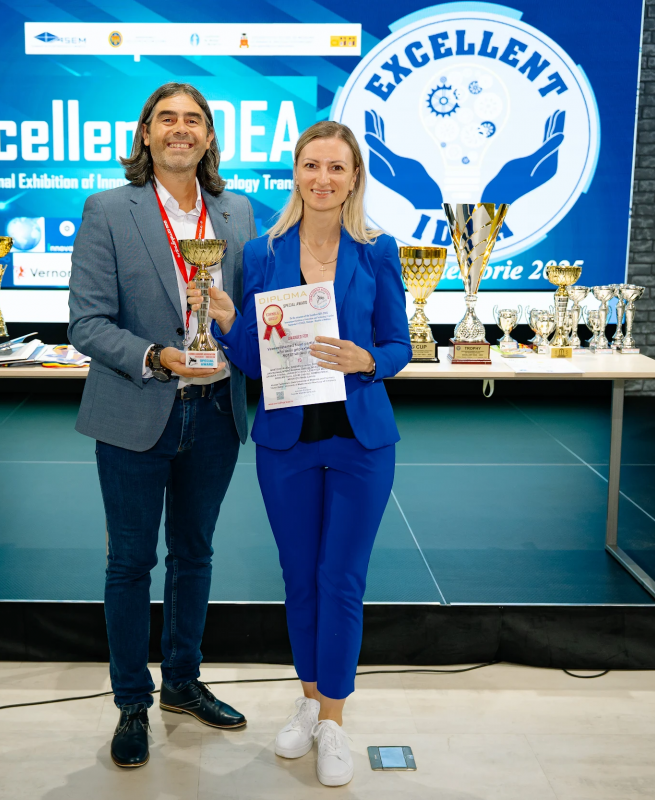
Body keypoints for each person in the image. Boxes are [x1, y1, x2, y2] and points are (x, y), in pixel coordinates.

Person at [187, 120, 410, 787]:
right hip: (286, 443)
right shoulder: (263, 253)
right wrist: (230, 321)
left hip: (360, 442)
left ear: (354, 176)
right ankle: (309, 702)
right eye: (312, 165)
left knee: (341, 579)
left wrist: (367, 359)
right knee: (300, 578)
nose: (323, 178)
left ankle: (333, 721)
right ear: (296, 173)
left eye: (336, 167)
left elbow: (399, 344)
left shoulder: (378, 251)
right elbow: (256, 361)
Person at [67, 83, 259, 769]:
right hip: (135, 408)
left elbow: (253, 310)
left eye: (194, 120)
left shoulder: (238, 213)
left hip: (216, 412)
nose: (181, 129)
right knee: (130, 563)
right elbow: (86, 323)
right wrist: (154, 356)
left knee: (194, 554)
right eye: (167, 119)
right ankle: (131, 703)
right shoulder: (107, 210)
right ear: (145, 134)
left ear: (209, 137)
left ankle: (181, 681)